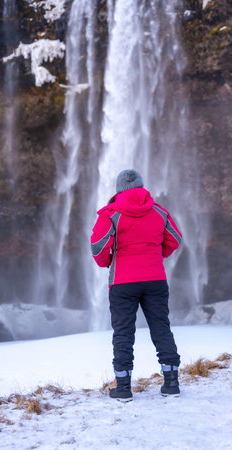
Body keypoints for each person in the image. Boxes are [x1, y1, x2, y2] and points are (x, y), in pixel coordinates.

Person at [91, 169, 182, 401]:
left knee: (123, 333)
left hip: (123, 281)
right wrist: (156, 255)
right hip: (155, 280)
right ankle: (171, 383)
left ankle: (123, 388)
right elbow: (175, 238)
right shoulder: (159, 212)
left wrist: (108, 261)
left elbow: (98, 246)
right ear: (141, 186)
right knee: (161, 328)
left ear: (119, 189)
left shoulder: (111, 214)